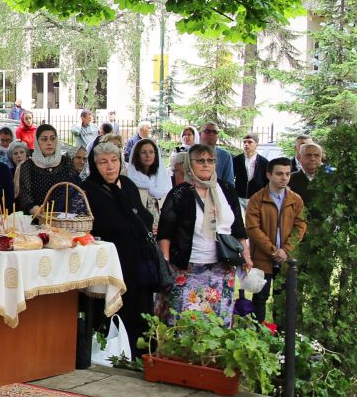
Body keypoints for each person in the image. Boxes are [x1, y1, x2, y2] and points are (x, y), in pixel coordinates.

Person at [157, 144, 245, 323]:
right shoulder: (180, 193)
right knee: (185, 323)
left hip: (222, 267)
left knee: (217, 323)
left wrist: (246, 255)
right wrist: (165, 263)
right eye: (200, 160)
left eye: (210, 161)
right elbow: (165, 232)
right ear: (190, 164)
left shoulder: (227, 189)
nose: (206, 164)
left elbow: (238, 227)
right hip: (188, 268)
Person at [84, 142, 158, 325]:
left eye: (114, 160)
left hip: (138, 262)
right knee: (114, 316)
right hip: (110, 264)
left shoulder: (127, 184)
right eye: (103, 162)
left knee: (140, 313)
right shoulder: (87, 189)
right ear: (94, 165)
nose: (110, 166)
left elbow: (141, 214)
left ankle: (139, 352)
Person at [244, 157, 306, 323]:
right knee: (260, 296)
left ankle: (282, 335)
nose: (284, 178)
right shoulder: (257, 199)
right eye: (279, 174)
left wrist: (285, 250)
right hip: (263, 257)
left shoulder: (296, 200)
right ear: (269, 175)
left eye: (287, 174)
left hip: (287, 258)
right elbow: (252, 228)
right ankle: (258, 334)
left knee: (284, 297)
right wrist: (273, 250)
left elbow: (300, 225)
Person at [14, 125, 84, 218]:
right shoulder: (27, 166)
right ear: (37, 142)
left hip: (63, 220)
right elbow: (25, 195)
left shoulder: (66, 162)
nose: (49, 143)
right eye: (44, 139)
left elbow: (75, 188)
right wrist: (35, 209)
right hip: (37, 220)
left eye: (52, 139)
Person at [124, 137, 172, 220]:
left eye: (151, 152)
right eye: (143, 152)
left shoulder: (163, 175)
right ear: (137, 155)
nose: (148, 155)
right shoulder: (126, 175)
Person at [0, 140, 30, 211]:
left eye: (21, 152)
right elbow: (13, 194)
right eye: (15, 153)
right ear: (11, 157)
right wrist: (18, 170)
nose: (19, 156)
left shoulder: (33, 170)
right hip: (15, 209)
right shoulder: (8, 172)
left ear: (26, 154)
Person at [198, 122, 237, 192]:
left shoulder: (225, 156)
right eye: (207, 131)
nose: (211, 134)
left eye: (214, 132)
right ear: (200, 134)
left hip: (217, 196)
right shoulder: (189, 154)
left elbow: (229, 184)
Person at [233, 134, 269, 201]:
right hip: (239, 197)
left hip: (257, 198)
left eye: (249, 142)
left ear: (256, 144)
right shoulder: (236, 160)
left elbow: (267, 181)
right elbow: (231, 177)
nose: (246, 144)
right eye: (244, 142)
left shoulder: (264, 162)